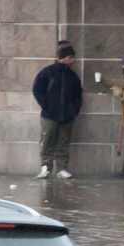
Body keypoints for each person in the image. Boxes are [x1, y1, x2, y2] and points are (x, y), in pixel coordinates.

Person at [31, 42, 84, 179]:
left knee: (63, 142)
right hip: (50, 115)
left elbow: (78, 95)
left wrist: (74, 110)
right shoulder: (48, 72)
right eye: (71, 57)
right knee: (48, 140)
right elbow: (37, 89)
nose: (73, 60)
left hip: (66, 115)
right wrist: (46, 105)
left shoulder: (72, 76)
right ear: (66, 58)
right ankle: (46, 167)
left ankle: (61, 168)